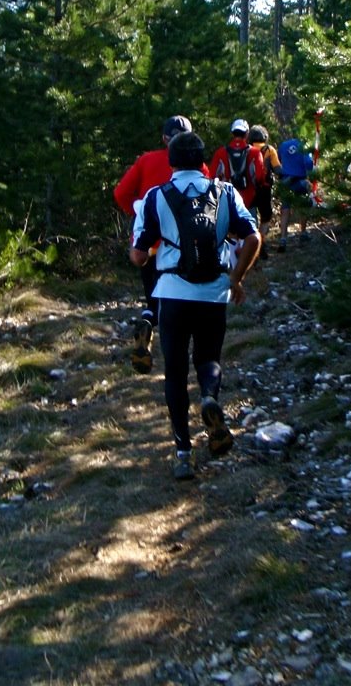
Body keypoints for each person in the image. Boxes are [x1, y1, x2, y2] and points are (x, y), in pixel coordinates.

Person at [129, 130, 261, 480]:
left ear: (171, 161)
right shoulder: (225, 192)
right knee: (208, 358)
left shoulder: (156, 196)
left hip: (172, 294)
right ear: (203, 161)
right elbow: (253, 237)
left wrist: (143, 249)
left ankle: (183, 453)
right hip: (213, 293)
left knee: (174, 372)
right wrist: (236, 278)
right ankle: (209, 398)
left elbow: (139, 256)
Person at [113, 114, 205, 373]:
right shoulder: (198, 168)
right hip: (181, 245)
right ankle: (179, 345)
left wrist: (138, 213)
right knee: (182, 297)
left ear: (165, 138)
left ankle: (148, 319)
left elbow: (121, 193)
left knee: (152, 294)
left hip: (148, 244)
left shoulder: (146, 160)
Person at [209, 118, 267, 213]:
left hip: (227, 199)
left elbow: (212, 177)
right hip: (249, 199)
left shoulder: (220, 152)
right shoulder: (255, 152)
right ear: (247, 133)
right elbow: (260, 176)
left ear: (232, 133)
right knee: (250, 222)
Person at [275, 133, 316, 252]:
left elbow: (278, 160)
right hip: (300, 181)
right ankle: (303, 232)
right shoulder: (303, 145)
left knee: (285, 208)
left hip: (286, 181)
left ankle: (283, 238)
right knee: (303, 205)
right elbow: (308, 163)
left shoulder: (283, 145)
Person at [247, 124, 279, 250]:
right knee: (266, 217)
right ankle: (261, 241)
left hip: (249, 188)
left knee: (251, 216)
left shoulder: (247, 149)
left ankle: (252, 241)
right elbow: (277, 168)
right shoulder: (269, 150)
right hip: (265, 188)